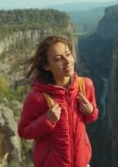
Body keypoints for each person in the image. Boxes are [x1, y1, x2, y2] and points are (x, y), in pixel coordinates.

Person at [18, 35, 98, 167]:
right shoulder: (37, 97)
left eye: (68, 54)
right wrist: (47, 120)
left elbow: (91, 117)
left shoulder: (85, 85)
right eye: (58, 59)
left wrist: (91, 111)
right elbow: (24, 131)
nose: (67, 61)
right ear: (46, 66)